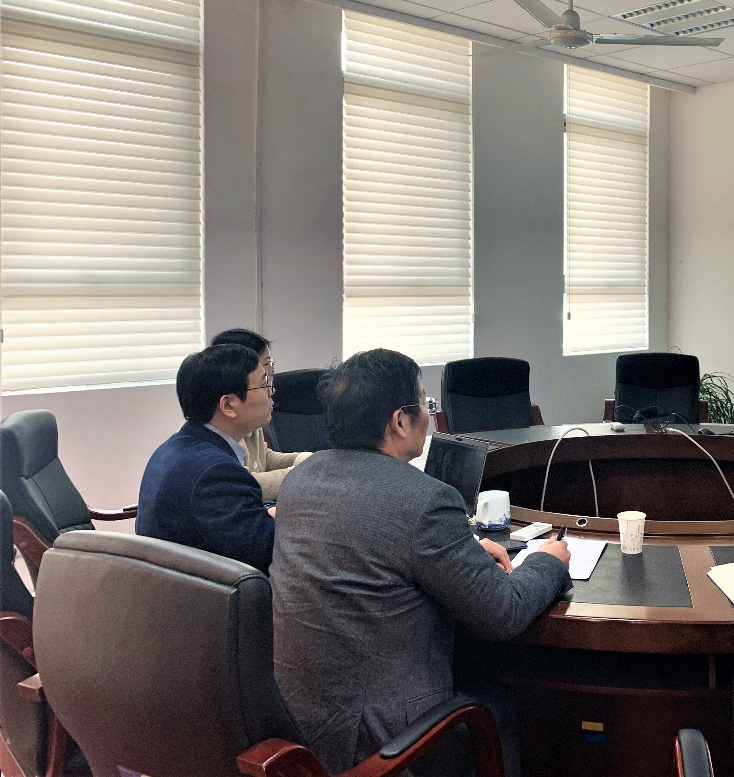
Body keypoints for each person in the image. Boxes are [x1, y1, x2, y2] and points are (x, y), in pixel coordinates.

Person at [271, 348, 571, 777]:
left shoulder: (301, 479)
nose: (430, 416)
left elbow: (372, 549)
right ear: (399, 421)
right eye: (425, 405)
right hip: (383, 743)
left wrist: (462, 552)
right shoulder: (425, 499)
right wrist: (547, 561)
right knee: (506, 702)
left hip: (304, 725)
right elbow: (503, 613)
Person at [136, 343, 276, 572]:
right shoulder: (215, 472)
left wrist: (268, 510)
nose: (271, 391)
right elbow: (267, 551)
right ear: (228, 404)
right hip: (207, 592)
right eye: (264, 384)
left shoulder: (174, 448)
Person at [209, 328, 310, 501]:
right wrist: (302, 474)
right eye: (266, 363)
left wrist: (306, 460)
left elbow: (263, 458)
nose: (271, 389)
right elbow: (241, 485)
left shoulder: (247, 418)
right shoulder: (213, 436)